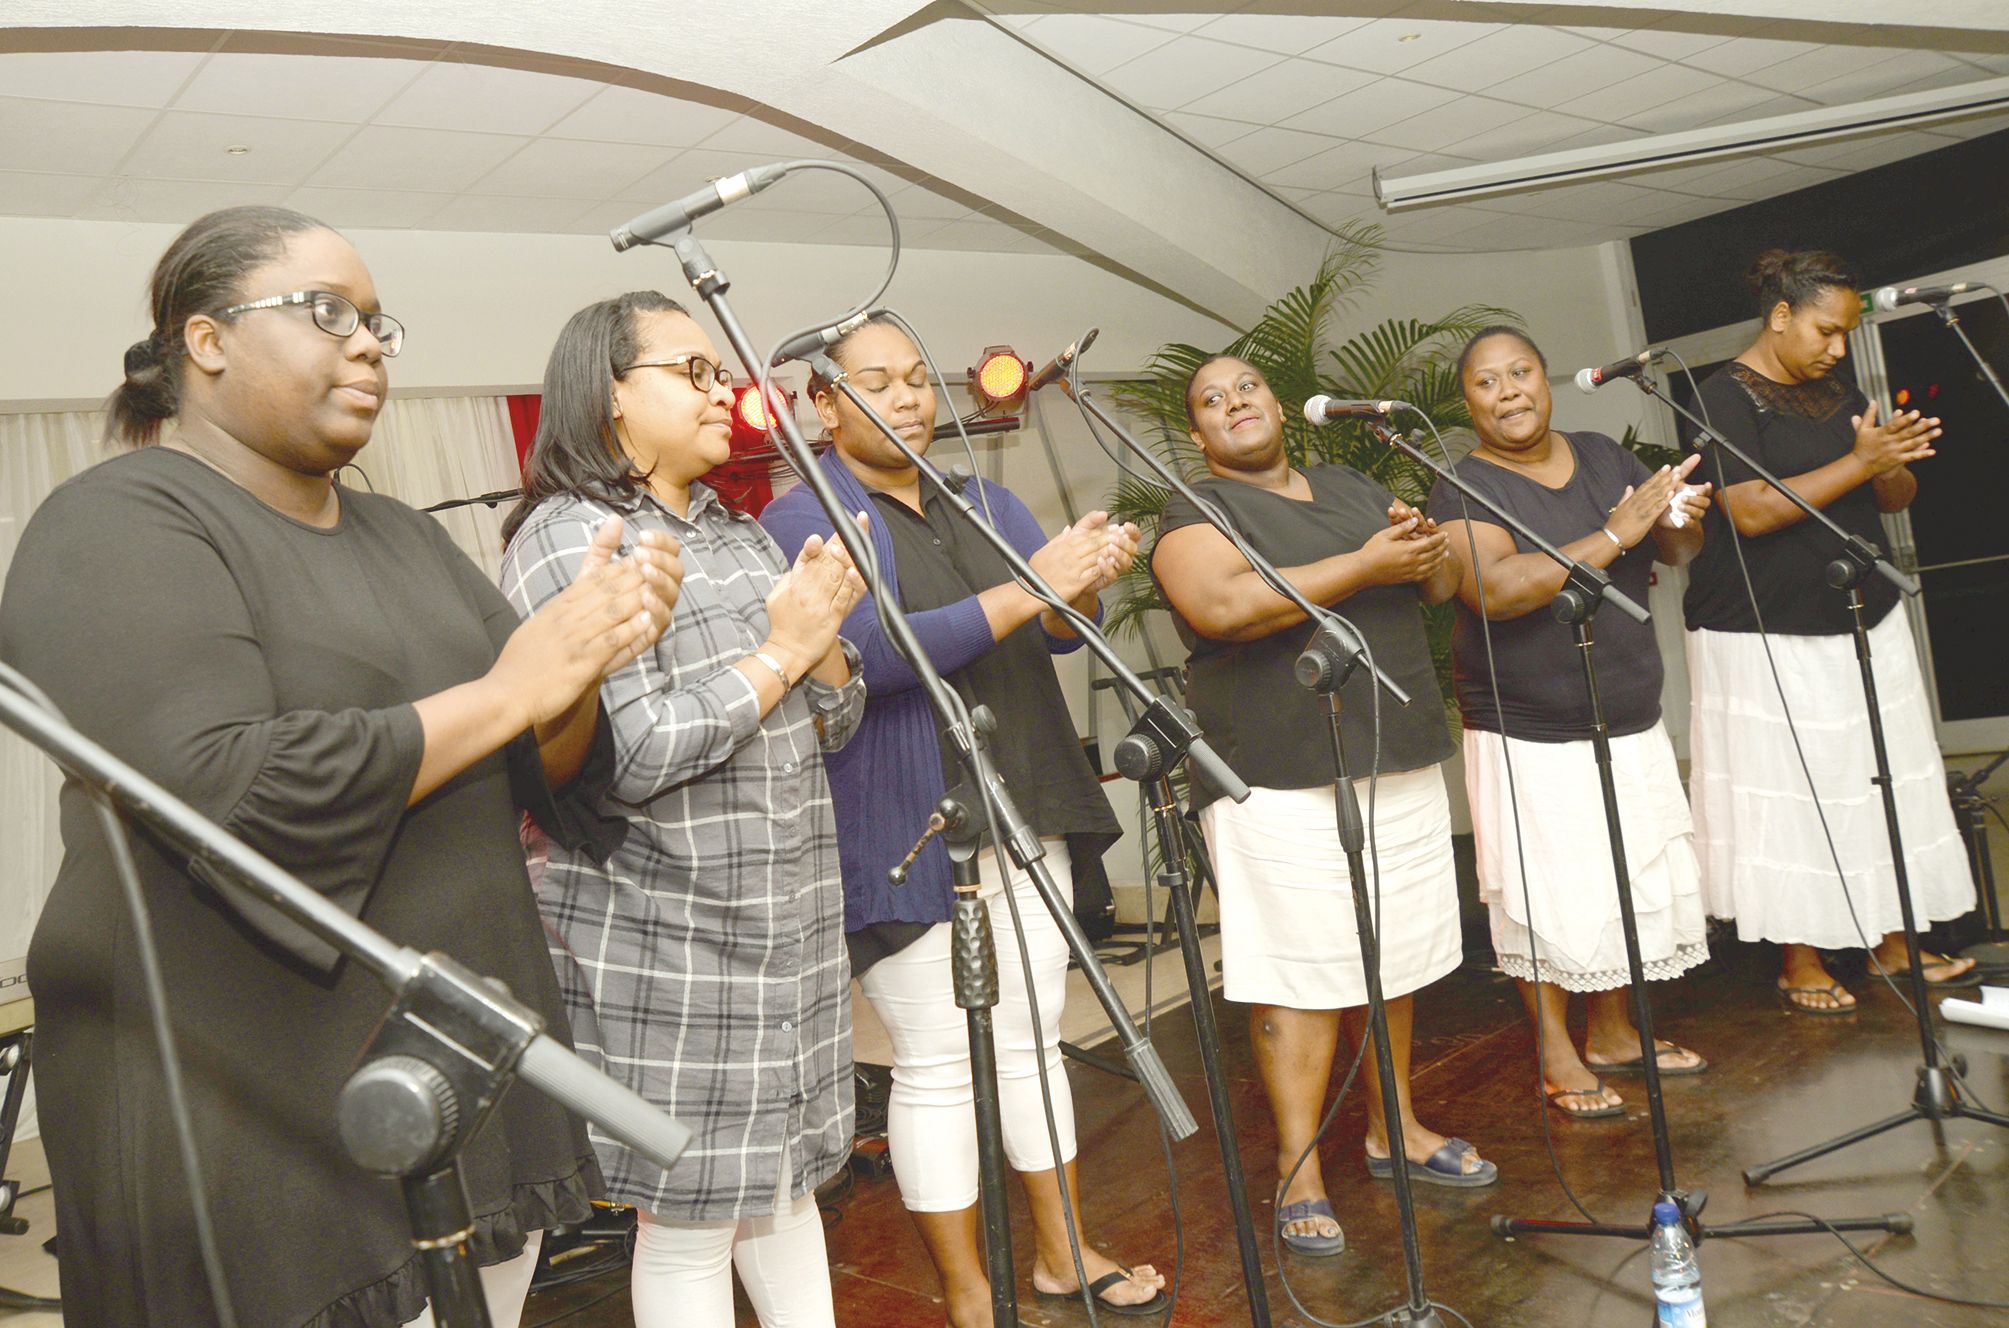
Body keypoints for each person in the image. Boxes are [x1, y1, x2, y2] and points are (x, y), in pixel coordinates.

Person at [0, 206, 682, 1328]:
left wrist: (585, 661)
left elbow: (536, 766)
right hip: (261, 1099)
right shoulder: (115, 522)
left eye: (375, 322)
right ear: (205, 339)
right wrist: (513, 684)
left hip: (449, 1076)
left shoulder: (402, 534)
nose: (367, 342)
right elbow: (221, 785)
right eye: (327, 312)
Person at [758, 317, 1168, 1322]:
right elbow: (870, 650)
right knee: (939, 1061)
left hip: (1024, 794)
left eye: (914, 381)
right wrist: (1032, 590)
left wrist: (1083, 582)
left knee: (1033, 1042)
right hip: (903, 821)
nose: (905, 400)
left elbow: (1064, 632)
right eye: (875, 384)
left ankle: (1063, 1253)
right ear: (822, 402)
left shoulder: (983, 496)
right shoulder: (801, 513)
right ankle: (966, 1289)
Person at [499, 291, 867, 1328]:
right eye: (694, 372)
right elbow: (633, 750)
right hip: (673, 933)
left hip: (784, 921)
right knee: (690, 1217)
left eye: (722, 373)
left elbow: (834, 717)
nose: (727, 394)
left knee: (785, 1187)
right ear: (612, 394)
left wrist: (823, 629)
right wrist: (782, 650)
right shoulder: (570, 537)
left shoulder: (738, 531)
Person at [1150, 354, 1496, 1260]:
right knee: (1297, 978)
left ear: (1275, 405)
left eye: (1247, 388)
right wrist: (1365, 561)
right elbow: (1222, 607)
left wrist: (1422, 555)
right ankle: (1297, 1171)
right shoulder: (1195, 511)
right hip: (1276, 775)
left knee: (1394, 958)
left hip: (1394, 754)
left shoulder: (1347, 481)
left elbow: (1436, 589)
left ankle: (1396, 1130)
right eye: (1212, 401)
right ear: (1199, 435)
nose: (1235, 405)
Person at [1430, 326, 1713, 1121]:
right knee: (1543, 896)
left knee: (1622, 880)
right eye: (1488, 382)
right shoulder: (1460, 487)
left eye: (1520, 371)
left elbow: (1677, 545)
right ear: (1469, 403)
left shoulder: (1599, 453)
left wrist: (1677, 513)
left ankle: (1614, 1032)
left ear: (1544, 380)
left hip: (1626, 706)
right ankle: (1556, 1049)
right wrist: (1618, 531)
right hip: (1526, 725)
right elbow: (1495, 588)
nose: (1509, 391)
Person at [1683, 249, 1976, 1012]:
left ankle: (1892, 941)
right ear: (1779, 317)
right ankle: (1799, 955)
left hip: (1860, 612)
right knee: (1794, 793)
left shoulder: (1834, 389)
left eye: (1846, 333)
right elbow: (1746, 510)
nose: (1837, 348)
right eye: (1824, 330)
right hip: (1764, 634)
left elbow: (1891, 496)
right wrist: (1858, 461)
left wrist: (1885, 462)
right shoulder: (1720, 397)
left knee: (1877, 780)